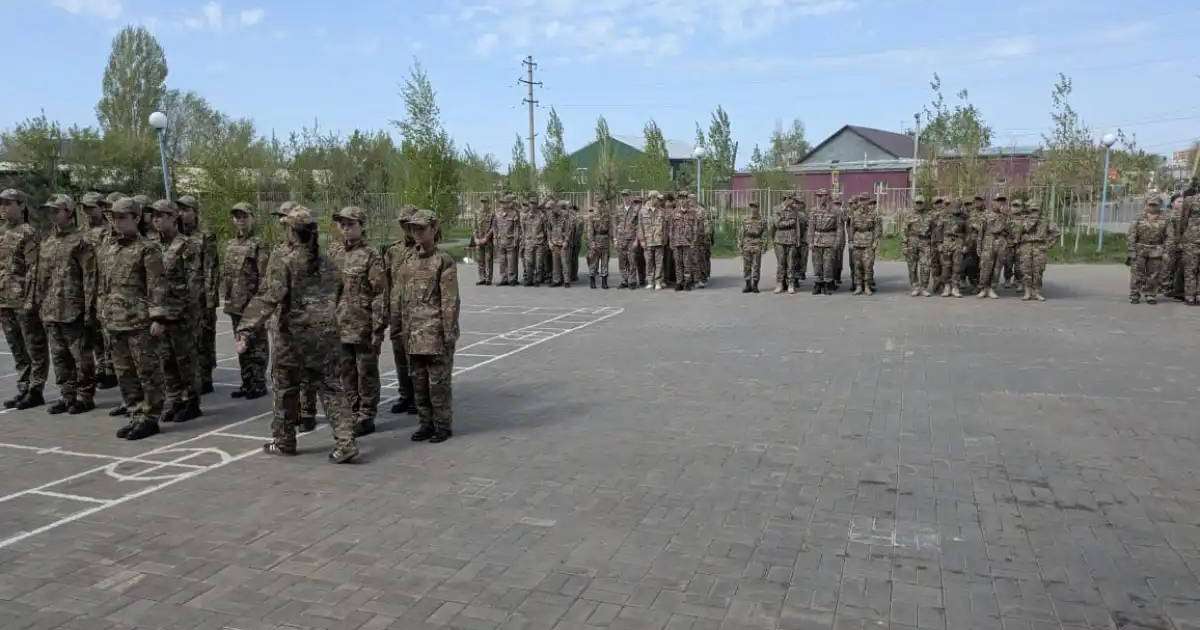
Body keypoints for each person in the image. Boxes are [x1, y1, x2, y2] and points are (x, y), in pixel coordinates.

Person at [236, 207, 359, 462]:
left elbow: (269, 296)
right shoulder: (327, 263)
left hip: (292, 338)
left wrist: (246, 328)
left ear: (292, 231)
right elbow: (340, 294)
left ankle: (284, 441)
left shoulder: (285, 261)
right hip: (325, 337)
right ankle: (346, 442)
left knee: (285, 388)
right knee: (331, 388)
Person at [102, 197, 165, 440]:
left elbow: (157, 286)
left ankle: (150, 417)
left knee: (147, 372)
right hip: (115, 320)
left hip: (139, 322)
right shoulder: (111, 248)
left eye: (122, 217)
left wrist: (158, 317)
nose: (117, 222)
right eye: (114, 217)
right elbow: (105, 286)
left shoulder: (147, 249)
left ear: (137, 218)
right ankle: (134, 413)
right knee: (124, 372)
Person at [395, 209, 460, 444]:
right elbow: (400, 298)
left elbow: (450, 301)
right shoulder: (408, 261)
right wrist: (398, 328)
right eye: (413, 228)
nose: (417, 232)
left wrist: (448, 334)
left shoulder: (443, 260)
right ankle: (425, 424)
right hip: (412, 334)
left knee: (438, 385)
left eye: (422, 228)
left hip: (435, 335)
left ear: (434, 229)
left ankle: (442, 425)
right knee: (419, 384)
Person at [35, 194, 97, 414]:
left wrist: (89, 310)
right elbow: (41, 278)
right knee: (60, 356)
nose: (52, 214)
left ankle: (84, 396)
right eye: (49, 211)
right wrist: (40, 305)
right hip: (51, 310)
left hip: (73, 310)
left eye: (56, 210)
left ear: (69, 213)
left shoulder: (81, 241)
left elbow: (89, 278)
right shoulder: (47, 241)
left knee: (81, 356)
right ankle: (67, 395)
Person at [331, 206, 387, 437]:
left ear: (361, 227)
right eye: (342, 225)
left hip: (363, 325)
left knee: (366, 372)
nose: (345, 229)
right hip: (340, 324)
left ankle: (366, 415)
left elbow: (380, 293)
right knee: (346, 372)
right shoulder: (335, 254)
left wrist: (378, 328)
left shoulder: (371, 255)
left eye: (350, 224)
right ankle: (352, 411)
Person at [265, 202, 319, 433]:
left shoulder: (309, 251)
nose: (281, 223)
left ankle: (307, 411)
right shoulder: (278, 250)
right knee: (284, 372)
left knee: (305, 369)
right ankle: (290, 415)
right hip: (281, 320)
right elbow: (269, 284)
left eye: (284, 218)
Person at [149, 199, 203, 424]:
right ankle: (173, 399)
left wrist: (172, 314)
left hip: (181, 316)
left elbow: (193, 284)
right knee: (165, 360)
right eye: (154, 216)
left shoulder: (186, 245)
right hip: (159, 315)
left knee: (185, 361)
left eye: (161, 215)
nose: (156, 219)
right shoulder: (152, 245)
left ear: (173, 217)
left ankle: (191, 401)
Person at [0, 188, 48, 409]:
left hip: (23, 301)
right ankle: (23, 387)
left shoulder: (28, 232)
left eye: (9, 203)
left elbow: (34, 269)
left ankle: (36, 389)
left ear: (21, 206)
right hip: (4, 300)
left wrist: (31, 300)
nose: (4, 207)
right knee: (17, 347)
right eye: (2, 203)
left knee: (33, 345)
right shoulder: (1, 232)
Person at [221, 202, 269, 399]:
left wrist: (260, 304)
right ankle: (246, 381)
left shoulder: (259, 243)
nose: (240, 220)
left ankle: (258, 383)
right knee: (241, 344)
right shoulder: (231, 245)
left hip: (252, 305)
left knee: (257, 345)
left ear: (252, 218)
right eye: (237, 217)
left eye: (244, 216)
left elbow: (264, 275)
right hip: (235, 304)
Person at [176, 195, 218, 394]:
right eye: (180, 210)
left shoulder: (205, 236)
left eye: (186, 210)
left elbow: (211, 269)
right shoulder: (176, 236)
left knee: (203, 338)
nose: (182, 213)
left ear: (195, 212)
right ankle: (191, 378)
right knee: (186, 340)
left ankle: (205, 376)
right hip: (180, 297)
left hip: (199, 296)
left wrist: (210, 300)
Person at [79, 192, 117, 390]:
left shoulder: (110, 230)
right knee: (93, 332)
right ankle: (101, 367)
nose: (87, 212)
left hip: (105, 287)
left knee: (107, 331)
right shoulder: (82, 231)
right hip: (88, 287)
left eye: (91, 207)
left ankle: (111, 370)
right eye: (84, 208)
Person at [384, 205, 418, 414]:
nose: (405, 227)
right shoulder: (393, 251)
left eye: (409, 223)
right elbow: (386, 282)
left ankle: (419, 397)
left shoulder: (425, 249)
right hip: (397, 310)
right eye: (402, 223)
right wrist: (386, 309)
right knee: (400, 355)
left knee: (416, 355)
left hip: (418, 311)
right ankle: (405, 394)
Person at [1127, 197, 1169, 304]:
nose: (1152, 207)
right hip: (1139, 249)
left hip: (1156, 250)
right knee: (1137, 273)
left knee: (1153, 274)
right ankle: (1134, 294)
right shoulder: (1138, 217)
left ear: (1160, 205)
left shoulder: (1165, 219)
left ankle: (1150, 294)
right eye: (1150, 204)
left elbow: (1170, 236)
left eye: (1155, 205)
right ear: (1146, 205)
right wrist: (1131, 250)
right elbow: (1131, 234)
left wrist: (1166, 251)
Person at [1015, 203, 1060, 302]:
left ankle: (1036, 292)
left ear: (1040, 211)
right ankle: (1027, 292)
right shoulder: (1024, 220)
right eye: (1032, 210)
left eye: (1036, 210)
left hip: (1039, 248)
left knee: (1038, 271)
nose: (1034, 213)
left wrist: (1048, 244)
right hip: (1026, 247)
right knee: (1025, 270)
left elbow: (1056, 232)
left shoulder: (1045, 220)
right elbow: (1016, 233)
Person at [806, 189, 842, 295]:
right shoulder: (813, 210)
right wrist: (810, 242)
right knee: (817, 264)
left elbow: (839, 228)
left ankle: (827, 284)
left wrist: (837, 242)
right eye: (819, 196)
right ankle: (818, 283)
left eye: (823, 196)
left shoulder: (835, 210)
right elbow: (811, 227)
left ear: (827, 196)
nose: (821, 198)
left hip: (829, 239)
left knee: (828, 264)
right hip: (817, 240)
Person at [976, 193, 1010, 299]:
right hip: (988, 243)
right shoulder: (986, 215)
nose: (1000, 203)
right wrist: (978, 246)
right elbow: (980, 232)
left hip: (1001, 244)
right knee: (985, 267)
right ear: (993, 202)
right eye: (997, 201)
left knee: (997, 268)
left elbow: (1011, 232)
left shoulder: (1007, 217)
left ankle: (991, 288)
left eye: (1002, 201)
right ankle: (983, 288)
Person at [934, 199, 969, 298]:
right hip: (947, 242)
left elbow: (968, 233)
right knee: (946, 266)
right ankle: (947, 286)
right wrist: (939, 244)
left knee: (957, 267)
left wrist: (966, 245)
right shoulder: (944, 216)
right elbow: (938, 231)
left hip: (959, 242)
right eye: (954, 207)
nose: (956, 209)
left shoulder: (964, 217)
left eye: (958, 207)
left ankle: (955, 287)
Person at [848, 195, 882, 296]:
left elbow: (878, 228)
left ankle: (867, 286)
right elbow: (851, 228)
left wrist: (876, 241)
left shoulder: (874, 214)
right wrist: (850, 241)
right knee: (857, 265)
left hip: (868, 242)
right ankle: (858, 286)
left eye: (865, 200)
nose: (863, 202)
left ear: (868, 201)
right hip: (857, 242)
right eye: (861, 200)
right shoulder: (855, 213)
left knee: (868, 265)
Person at [638, 192, 667, 290]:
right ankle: (650, 281)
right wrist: (642, 240)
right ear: (652, 198)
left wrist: (665, 239)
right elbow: (640, 227)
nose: (659, 201)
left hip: (659, 240)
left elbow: (665, 227)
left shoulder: (661, 211)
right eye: (658, 199)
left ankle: (658, 281)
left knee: (659, 262)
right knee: (649, 262)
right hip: (648, 241)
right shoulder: (642, 211)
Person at [771, 193, 800, 294]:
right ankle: (779, 283)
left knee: (791, 262)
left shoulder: (795, 210)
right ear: (787, 199)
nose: (794, 202)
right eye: (792, 199)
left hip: (791, 239)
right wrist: (789, 222)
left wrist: (798, 239)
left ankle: (791, 283)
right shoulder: (776, 209)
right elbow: (777, 224)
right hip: (779, 239)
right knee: (781, 263)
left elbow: (797, 225)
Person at [1163, 195, 1190, 300]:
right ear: (1172, 203)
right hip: (1171, 245)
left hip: (1183, 246)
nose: (1181, 203)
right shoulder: (1168, 215)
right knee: (1169, 268)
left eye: (1182, 201)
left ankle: (1178, 290)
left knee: (1181, 268)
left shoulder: (1186, 215)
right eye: (1178, 201)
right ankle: (1167, 288)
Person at [668, 192, 696, 291]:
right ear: (678, 200)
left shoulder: (692, 212)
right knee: (678, 263)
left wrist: (693, 241)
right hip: (677, 242)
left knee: (687, 263)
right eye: (680, 199)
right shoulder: (674, 212)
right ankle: (679, 282)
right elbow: (671, 228)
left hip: (687, 242)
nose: (682, 200)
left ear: (687, 200)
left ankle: (687, 282)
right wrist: (671, 241)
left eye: (684, 198)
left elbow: (695, 228)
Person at [585, 195, 612, 289]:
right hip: (596, 238)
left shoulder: (607, 215)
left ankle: (604, 281)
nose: (600, 205)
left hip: (605, 239)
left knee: (605, 262)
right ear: (595, 204)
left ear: (604, 204)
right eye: (598, 203)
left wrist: (612, 239)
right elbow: (590, 230)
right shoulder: (592, 216)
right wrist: (591, 242)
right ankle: (592, 280)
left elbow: (611, 228)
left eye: (601, 203)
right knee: (594, 261)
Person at [739, 201, 767, 293]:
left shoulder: (762, 220)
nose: (753, 209)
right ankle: (748, 285)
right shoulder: (745, 219)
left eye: (755, 207)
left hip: (757, 244)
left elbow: (765, 234)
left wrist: (764, 246)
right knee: (746, 266)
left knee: (756, 266)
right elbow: (740, 233)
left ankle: (755, 285)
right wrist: (740, 245)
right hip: (747, 243)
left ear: (758, 208)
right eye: (751, 207)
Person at [493, 194, 520, 286]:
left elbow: (516, 227)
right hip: (501, 240)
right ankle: (503, 278)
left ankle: (512, 279)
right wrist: (495, 238)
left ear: (508, 203)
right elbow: (495, 227)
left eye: (505, 203)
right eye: (502, 203)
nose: (503, 205)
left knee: (511, 260)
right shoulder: (497, 213)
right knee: (502, 260)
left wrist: (516, 239)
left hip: (510, 240)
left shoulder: (513, 213)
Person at [519, 198, 547, 286]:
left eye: (534, 203)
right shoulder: (525, 216)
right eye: (531, 203)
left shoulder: (541, 216)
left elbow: (545, 229)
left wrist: (545, 241)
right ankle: (529, 279)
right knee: (529, 262)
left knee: (538, 262)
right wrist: (524, 240)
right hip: (528, 242)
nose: (532, 205)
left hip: (539, 242)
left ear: (537, 204)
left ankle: (537, 280)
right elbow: (523, 229)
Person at [1178, 196, 1200, 306]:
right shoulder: (1190, 200)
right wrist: (1182, 235)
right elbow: (1183, 220)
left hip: (1191, 237)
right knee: (1190, 268)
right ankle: (1190, 295)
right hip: (1192, 240)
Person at [547, 200, 575, 287]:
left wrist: (566, 241)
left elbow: (569, 230)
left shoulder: (565, 216)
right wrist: (549, 242)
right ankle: (556, 280)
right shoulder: (550, 216)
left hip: (563, 243)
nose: (550, 210)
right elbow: (548, 229)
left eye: (552, 208)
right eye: (549, 209)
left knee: (565, 262)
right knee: (555, 264)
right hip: (554, 243)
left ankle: (566, 281)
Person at [618, 194, 642, 289]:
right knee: (622, 261)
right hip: (621, 239)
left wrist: (637, 240)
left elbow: (639, 226)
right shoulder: (619, 208)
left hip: (631, 238)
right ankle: (624, 280)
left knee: (632, 260)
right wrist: (615, 238)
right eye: (623, 196)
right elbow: (615, 223)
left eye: (627, 196)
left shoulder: (636, 210)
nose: (625, 198)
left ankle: (632, 281)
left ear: (630, 197)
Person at [902, 196, 925, 291]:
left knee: (925, 266)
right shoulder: (909, 215)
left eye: (920, 203)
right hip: (912, 241)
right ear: (914, 203)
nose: (919, 205)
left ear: (923, 204)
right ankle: (915, 286)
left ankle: (923, 287)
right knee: (912, 266)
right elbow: (904, 231)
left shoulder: (928, 214)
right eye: (917, 203)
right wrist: (904, 245)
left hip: (925, 242)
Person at [472, 197, 495, 285]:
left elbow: (493, 227)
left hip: (488, 240)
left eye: (485, 202)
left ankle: (488, 279)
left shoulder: (492, 214)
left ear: (488, 203)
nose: (483, 204)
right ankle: (482, 278)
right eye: (482, 202)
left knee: (488, 259)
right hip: (479, 240)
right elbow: (474, 227)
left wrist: (487, 238)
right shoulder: (477, 213)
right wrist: (475, 239)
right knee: (480, 259)